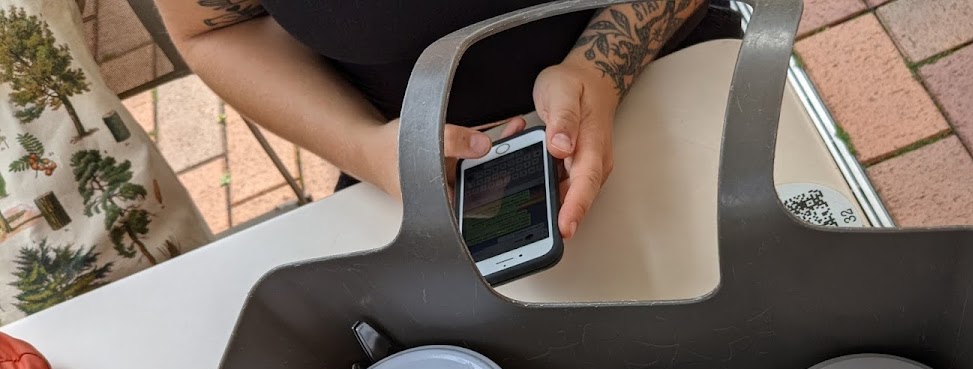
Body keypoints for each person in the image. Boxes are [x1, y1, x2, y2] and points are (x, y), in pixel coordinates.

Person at [154, 0, 740, 239]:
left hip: (669, 78)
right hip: (413, 169)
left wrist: (602, 69)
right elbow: (215, 29)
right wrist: (367, 148)